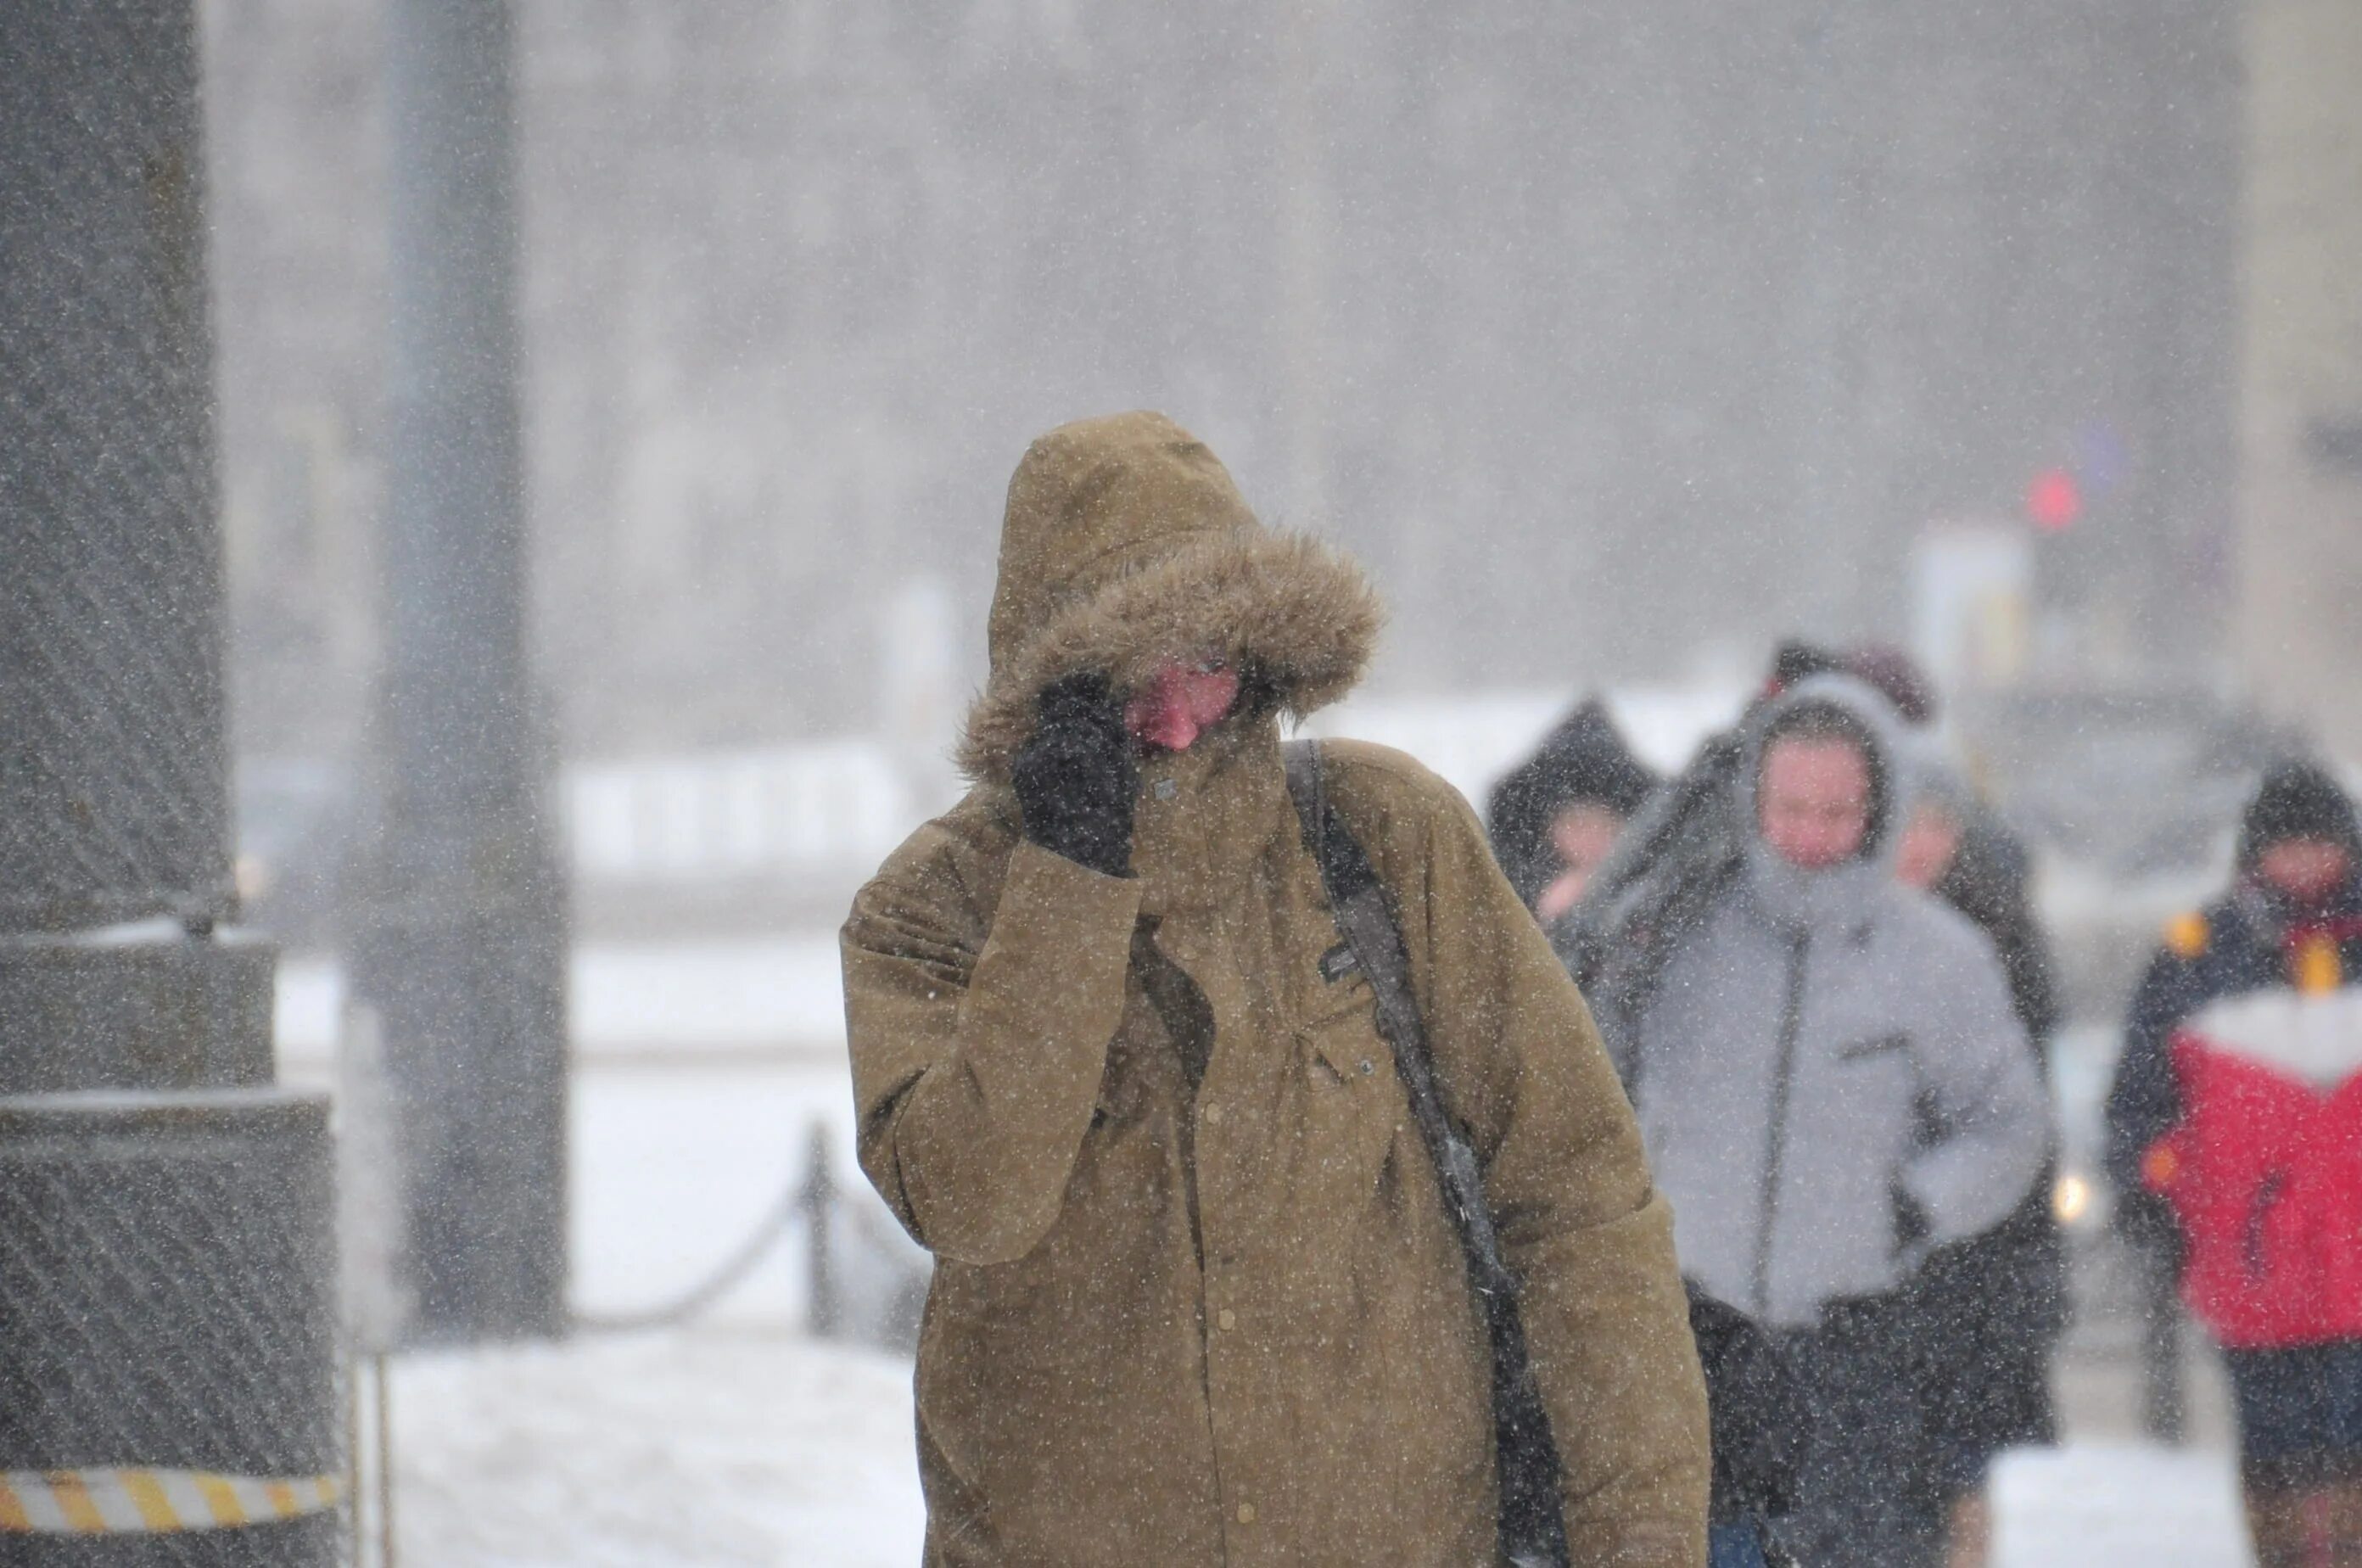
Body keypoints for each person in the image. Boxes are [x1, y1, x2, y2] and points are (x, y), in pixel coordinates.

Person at [840, 412, 1709, 1565]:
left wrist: (1638, 1539)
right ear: (1054, 692)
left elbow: (1580, 1197)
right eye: (1124, 683)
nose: (1178, 718)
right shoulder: (933, 910)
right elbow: (974, 1200)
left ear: (1259, 657)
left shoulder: (1384, 840)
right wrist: (1067, 885)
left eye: (1204, 664)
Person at [1604, 672, 2052, 1568]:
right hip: (1692, 1349)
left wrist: (1917, 1206)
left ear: (1880, 807)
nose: (1809, 835)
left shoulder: (1939, 961)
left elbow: (2010, 1126)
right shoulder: (1676, 933)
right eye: (1790, 806)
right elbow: (1590, 1082)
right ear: (1753, 797)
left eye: (1837, 811)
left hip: (1858, 1358)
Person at [2105, 759, 2362, 1567]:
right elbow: (2141, 1102)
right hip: (2253, 1274)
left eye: (2320, 844)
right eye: (2288, 846)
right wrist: (2155, 1198)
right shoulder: (2198, 954)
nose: (2306, 863)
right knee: (2278, 1462)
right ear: (2255, 854)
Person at [1853, 646, 2068, 1568]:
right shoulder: (1833, 932)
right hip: (1867, 1254)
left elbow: (2023, 1111)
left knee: (1959, 1472)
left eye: (1939, 825)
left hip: (1972, 1257)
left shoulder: (1996, 934)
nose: (1922, 846)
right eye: (1908, 823)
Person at [1486, 698, 1659, 923]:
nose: (1592, 840)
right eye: (1578, 825)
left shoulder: (1661, 893)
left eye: (1607, 826)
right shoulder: (1500, 896)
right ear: (1545, 831)